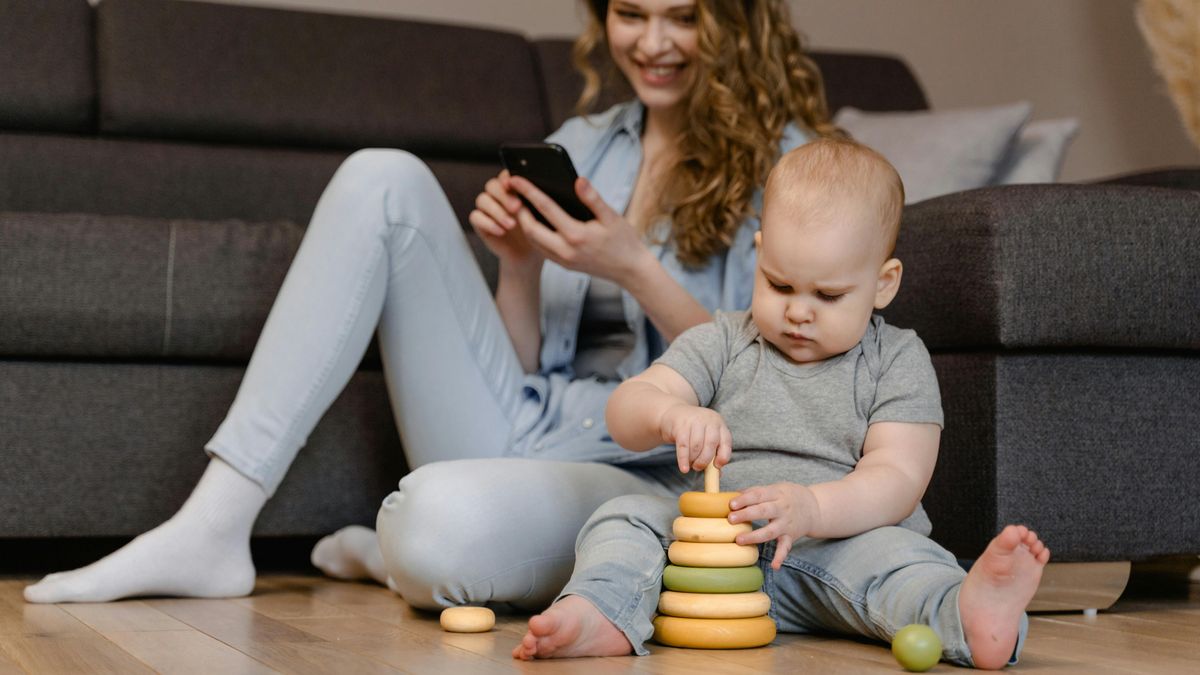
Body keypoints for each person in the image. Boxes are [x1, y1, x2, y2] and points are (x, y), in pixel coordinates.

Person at [24, 0, 839, 608]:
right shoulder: (588, 143)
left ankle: (396, 545)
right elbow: (521, 363)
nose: (652, 43)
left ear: (736, 23)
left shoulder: (794, 166)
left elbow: (768, 381)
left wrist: (633, 266)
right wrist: (516, 267)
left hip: (645, 470)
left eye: (684, 17)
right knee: (383, 177)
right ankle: (214, 521)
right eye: (630, 13)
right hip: (529, 421)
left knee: (439, 528)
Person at [513, 138, 1051, 670]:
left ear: (882, 284)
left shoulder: (897, 359)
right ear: (759, 253)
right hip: (715, 555)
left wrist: (814, 509)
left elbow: (898, 477)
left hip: (838, 546)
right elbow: (626, 411)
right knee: (624, 518)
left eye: (828, 296)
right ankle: (601, 611)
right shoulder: (722, 341)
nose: (799, 312)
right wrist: (670, 414)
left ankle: (968, 615)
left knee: (905, 563)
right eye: (780, 284)